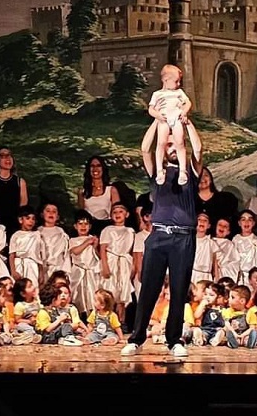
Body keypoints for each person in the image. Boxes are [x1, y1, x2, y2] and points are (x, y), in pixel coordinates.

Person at [121, 109, 203, 359]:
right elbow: (145, 148)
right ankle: (136, 338)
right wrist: (157, 122)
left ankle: (174, 340)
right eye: (166, 144)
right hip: (158, 236)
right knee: (149, 289)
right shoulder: (158, 173)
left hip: (183, 237)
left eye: (173, 143)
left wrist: (187, 126)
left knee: (179, 289)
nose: (170, 146)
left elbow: (198, 149)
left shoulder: (189, 172)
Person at [147, 64, 192, 186]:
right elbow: (150, 109)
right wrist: (157, 115)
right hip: (164, 118)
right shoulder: (157, 94)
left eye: (179, 81)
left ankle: (183, 170)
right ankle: (160, 170)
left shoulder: (179, 92)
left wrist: (184, 112)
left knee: (180, 143)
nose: (178, 84)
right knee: (161, 143)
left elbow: (188, 103)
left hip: (176, 117)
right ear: (166, 80)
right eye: (176, 81)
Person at [76, 155, 121, 236]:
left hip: (107, 227)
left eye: (98, 166)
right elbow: (81, 214)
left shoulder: (111, 190)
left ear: (103, 169)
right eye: (92, 166)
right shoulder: (82, 192)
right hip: (89, 229)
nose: (95, 169)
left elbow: (117, 212)